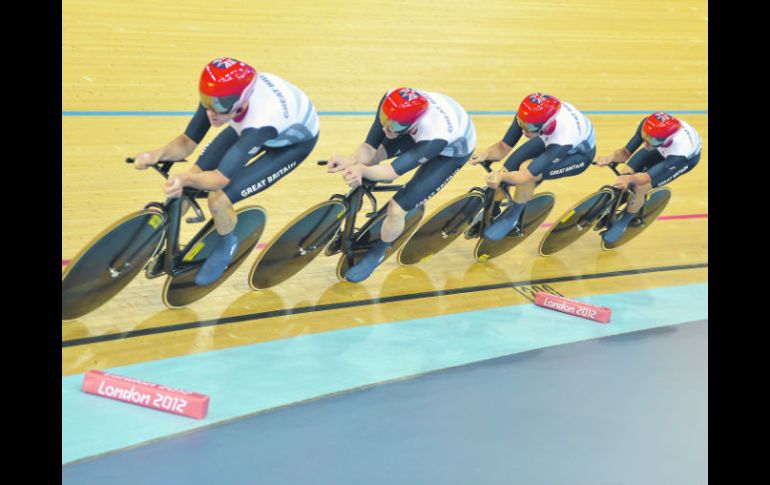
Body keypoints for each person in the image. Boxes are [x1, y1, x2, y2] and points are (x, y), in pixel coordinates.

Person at [132, 57, 320, 285]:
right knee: (188, 183)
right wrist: (155, 155)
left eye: (219, 107)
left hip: (290, 145)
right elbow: (186, 143)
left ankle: (226, 245)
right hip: (251, 124)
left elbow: (220, 180)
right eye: (206, 102)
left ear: (241, 102)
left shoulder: (260, 121)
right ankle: (165, 243)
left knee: (218, 200)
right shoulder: (220, 100)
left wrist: (186, 178)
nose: (211, 113)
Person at [327, 87, 476, 282]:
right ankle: (355, 205)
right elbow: (368, 148)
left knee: (396, 209)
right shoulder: (390, 100)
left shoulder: (435, 135)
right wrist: (352, 161)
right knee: (370, 159)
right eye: (385, 119)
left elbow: (390, 174)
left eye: (394, 125)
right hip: (415, 130)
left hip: (448, 152)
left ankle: (379, 252)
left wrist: (361, 171)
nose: (386, 127)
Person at [470, 93, 596, 241]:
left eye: (528, 127)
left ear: (546, 124)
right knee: (507, 169)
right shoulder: (529, 117)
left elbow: (526, 176)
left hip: (577, 156)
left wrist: (502, 177)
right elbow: (503, 147)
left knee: (527, 170)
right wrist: (485, 154)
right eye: (521, 123)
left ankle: (513, 217)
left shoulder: (563, 137)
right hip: (547, 137)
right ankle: (495, 206)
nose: (523, 131)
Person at [595, 111, 701, 243]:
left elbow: (645, 178)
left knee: (639, 187)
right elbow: (625, 153)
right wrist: (609, 157)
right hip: (660, 147)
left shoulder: (680, 152)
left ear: (666, 138)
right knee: (626, 173)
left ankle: (624, 221)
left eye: (651, 140)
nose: (645, 143)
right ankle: (618, 199)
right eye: (645, 136)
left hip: (683, 161)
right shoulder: (650, 128)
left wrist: (630, 179)